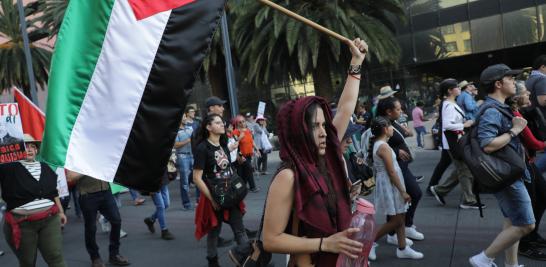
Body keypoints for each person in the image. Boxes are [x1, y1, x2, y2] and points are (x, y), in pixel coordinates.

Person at [262, 38, 367, 266]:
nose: (323, 132)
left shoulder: (326, 153)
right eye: (314, 126)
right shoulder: (287, 176)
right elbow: (270, 239)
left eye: (323, 125)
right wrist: (325, 243)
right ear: (297, 132)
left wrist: (356, 63)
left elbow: (346, 107)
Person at [469, 64, 535, 267]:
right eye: (511, 79)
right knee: (526, 224)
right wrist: (514, 131)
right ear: (498, 84)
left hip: (507, 174)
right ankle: (483, 259)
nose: (514, 82)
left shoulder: (497, 107)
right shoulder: (492, 110)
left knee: (512, 221)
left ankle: (511, 264)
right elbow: (487, 145)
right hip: (506, 176)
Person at [193, 114, 251, 267]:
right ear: (208, 127)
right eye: (217, 122)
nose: (222, 125)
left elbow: (225, 166)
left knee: (239, 229)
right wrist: (212, 200)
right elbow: (197, 178)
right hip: (214, 196)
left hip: (231, 193)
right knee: (214, 230)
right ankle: (212, 262)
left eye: (222, 122)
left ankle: (247, 260)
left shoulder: (223, 143)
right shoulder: (202, 148)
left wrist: (237, 159)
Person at [0, 134, 67, 267]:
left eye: (32, 146)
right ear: (17, 150)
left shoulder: (46, 167)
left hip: (50, 219)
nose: (29, 149)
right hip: (22, 224)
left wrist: (61, 212)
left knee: (56, 257)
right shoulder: (8, 168)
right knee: (27, 262)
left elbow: (54, 192)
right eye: (25, 146)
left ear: (36, 150)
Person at [368, 117, 424, 261]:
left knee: (401, 215)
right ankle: (369, 243)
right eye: (391, 126)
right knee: (396, 220)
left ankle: (403, 248)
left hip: (390, 183)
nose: (393, 128)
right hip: (390, 184)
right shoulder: (383, 147)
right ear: (385, 129)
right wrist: (403, 191)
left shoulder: (380, 144)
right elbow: (391, 172)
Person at [376, 97, 425, 242]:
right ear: (388, 111)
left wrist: (405, 131)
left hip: (401, 166)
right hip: (394, 168)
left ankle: (401, 232)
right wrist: (397, 152)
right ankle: (383, 238)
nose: (401, 111)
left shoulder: (393, 122)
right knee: (406, 198)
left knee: (402, 202)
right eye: (398, 109)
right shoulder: (381, 124)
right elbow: (377, 144)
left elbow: (398, 137)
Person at [429, 79, 481, 209]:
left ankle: (440, 190)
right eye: (457, 87)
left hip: (456, 141)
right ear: (449, 90)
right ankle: (468, 200)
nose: (459, 88)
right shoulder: (448, 105)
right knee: (465, 170)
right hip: (454, 142)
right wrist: (464, 124)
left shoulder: (451, 103)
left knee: (462, 170)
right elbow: (447, 125)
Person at [508, 82, 546, 260]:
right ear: (516, 97)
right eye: (525, 92)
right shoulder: (515, 114)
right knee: (529, 204)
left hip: (528, 162)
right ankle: (524, 243)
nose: (529, 92)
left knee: (541, 197)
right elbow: (533, 143)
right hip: (523, 166)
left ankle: (531, 236)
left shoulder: (520, 112)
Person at [66, 171, 130, 267]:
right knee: (91, 228)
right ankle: (95, 257)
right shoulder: (77, 156)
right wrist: (89, 167)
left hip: (106, 191)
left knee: (116, 221)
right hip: (88, 195)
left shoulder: (100, 155)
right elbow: (70, 177)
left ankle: (114, 254)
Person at [232, 115, 261, 193]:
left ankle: (241, 187)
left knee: (242, 172)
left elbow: (251, 141)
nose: (242, 123)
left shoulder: (247, 130)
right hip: (241, 155)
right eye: (240, 122)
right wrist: (240, 138)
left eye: (243, 121)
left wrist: (256, 148)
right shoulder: (235, 132)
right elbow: (234, 144)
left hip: (248, 154)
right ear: (236, 123)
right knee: (249, 169)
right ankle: (252, 187)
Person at [143, 171, 175, 240]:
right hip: (153, 182)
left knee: (166, 204)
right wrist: (149, 187)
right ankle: (164, 230)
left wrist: (171, 172)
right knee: (161, 207)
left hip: (163, 179)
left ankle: (151, 220)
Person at [175, 114, 194, 210]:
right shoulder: (176, 131)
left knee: (198, 177)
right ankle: (186, 204)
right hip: (182, 156)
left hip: (192, 155)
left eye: (186, 117)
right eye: (183, 117)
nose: (186, 118)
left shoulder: (190, 128)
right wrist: (188, 140)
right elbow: (176, 145)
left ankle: (199, 200)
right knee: (184, 182)